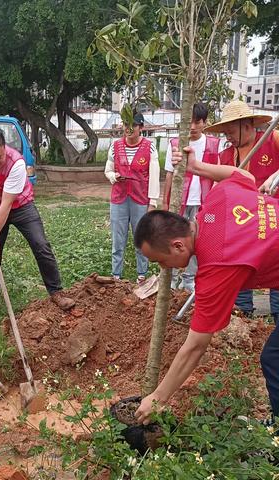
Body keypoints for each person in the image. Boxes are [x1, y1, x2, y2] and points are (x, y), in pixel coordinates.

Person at [133, 145, 279, 425]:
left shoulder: (216, 267)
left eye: (161, 261)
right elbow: (243, 175)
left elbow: (196, 346)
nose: (163, 269)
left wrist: (158, 397)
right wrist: (197, 167)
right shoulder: (218, 198)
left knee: (274, 360)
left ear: (178, 245)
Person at [0, 127, 75, 325]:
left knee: (41, 245)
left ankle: (56, 292)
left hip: (20, 205)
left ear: (5, 148)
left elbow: (7, 204)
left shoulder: (16, 163)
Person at [206, 100, 279, 321]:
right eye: (225, 133)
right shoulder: (226, 156)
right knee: (240, 264)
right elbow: (221, 189)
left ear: (247, 125)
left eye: (230, 132)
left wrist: (276, 177)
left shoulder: (272, 139)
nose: (227, 137)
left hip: (274, 224)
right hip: (245, 226)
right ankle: (243, 313)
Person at [162, 103, 221, 292]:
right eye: (190, 122)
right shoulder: (175, 143)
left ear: (205, 122)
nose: (193, 127)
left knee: (199, 240)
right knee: (175, 238)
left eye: (198, 122)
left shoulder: (214, 144)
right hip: (180, 201)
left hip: (204, 204)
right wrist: (166, 202)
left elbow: (218, 174)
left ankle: (189, 278)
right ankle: (171, 277)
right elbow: (169, 174)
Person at [104, 112, 160, 283]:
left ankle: (141, 275)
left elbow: (154, 176)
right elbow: (108, 170)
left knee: (141, 237)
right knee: (117, 238)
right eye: (126, 124)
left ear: (141, 128)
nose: (128, 129)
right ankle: (116, 276)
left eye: (133, 125)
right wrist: (114, 176)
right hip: (119, 198)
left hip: (140, 199)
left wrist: (153, 202)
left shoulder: (149, 147)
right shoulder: (115, 146)